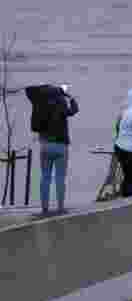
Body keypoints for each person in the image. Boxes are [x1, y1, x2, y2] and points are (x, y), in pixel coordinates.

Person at [26, 84, 78, 216]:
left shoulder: (40, 102)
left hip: (45, 145)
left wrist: (45, 88)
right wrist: (69, 96)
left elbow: (29, 90)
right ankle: (60, 208)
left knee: (45, 177)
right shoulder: (61, 102)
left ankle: (44, 209)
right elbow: (74, 110)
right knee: (60, 178)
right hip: (61, 146)